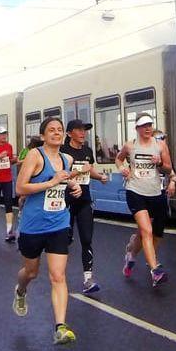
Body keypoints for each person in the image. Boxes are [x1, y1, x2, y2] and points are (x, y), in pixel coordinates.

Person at [12, 117, 82, 346]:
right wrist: (51, 182)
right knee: (30, 272)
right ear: (43, 136)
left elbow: (64, 180)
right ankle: (21, 290)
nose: (56, 133)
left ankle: (60, 327)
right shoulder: (35, 156)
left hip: (59, 224)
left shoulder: (67, 158)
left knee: (58, 276)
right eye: (51, 130)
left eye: (60, 130)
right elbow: (20, 188)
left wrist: (74, 185)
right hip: (33, 225)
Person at [118, 113, 174, 287]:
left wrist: (159, 164)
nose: (148, 128)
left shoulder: (160, 145)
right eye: (144, 126)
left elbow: (168, 168)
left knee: (155, 234)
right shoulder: (130, 145)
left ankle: (131, 255)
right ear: (137, 128)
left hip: (156, 194)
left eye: (150, 125)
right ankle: (155, 270)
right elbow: (119, 159)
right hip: (135, 191)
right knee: (146, 230)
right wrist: (122, 169)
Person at [63, 119, 110, 294]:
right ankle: (58, 275)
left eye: (85, 130)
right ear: (69, 133)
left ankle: (88, 279)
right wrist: (78, 171)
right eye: (79, 130)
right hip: (65, 201)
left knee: (86, 239)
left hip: (84, 200)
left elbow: (89, 170)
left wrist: (100, 177)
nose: (83, 133)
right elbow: (60, 175)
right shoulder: (63, 151)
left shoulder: (88, 151)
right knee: (64, 240)